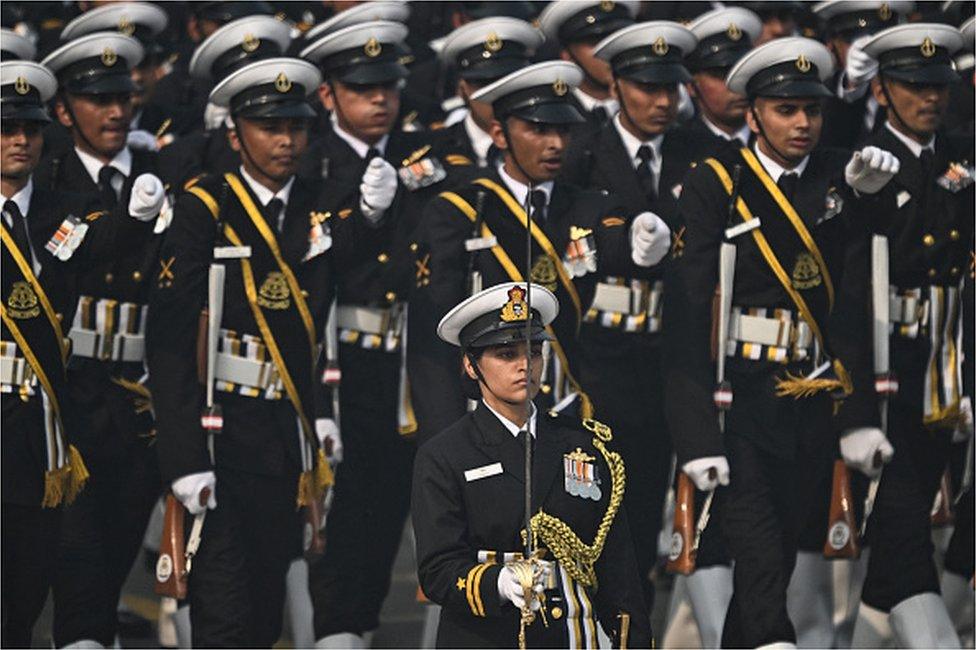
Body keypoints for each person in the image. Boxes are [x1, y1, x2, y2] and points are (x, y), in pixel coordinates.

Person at [670, 35, 901, 647]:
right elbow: (690, 318)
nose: (803, 124)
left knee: (773, 571)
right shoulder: (716, 182)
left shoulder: (839, 177)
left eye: (813, 110)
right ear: (753, 115)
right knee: (762, 556)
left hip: (813, 401)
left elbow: (852, 307)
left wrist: (855, 416)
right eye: (785, 110)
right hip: (741, 400)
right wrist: (694, 434)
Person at [147, 54, 347, 647]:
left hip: (284, 440)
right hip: (222, 432)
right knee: (225, 612)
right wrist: (184, 455)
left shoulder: (317, 205)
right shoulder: (204, 207)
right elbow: (171, 341)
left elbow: (320, 328)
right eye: (269, 127)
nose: (286, 141)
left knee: (264, 608)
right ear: (235, 134)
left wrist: (321, 413)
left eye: (296, 127)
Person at [409, 59, 672, 448]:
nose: (556, 144)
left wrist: (645, 246)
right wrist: (445, 436)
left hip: (568, 404)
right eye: (538, 129)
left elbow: (618, 245)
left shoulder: (590, 207)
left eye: (563, 130)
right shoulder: (459, 210)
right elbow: (433, 337)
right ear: (499, 134)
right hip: (487, 410)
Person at [0, 57, 157, 649]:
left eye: (30, 129)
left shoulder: (63, 211)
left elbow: (103, 239)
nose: (20, 140)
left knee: (23, 603)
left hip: (46, 439)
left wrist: (137, 221)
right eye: (6, 129)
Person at [412, 281, 651, 648]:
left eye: (534, 352)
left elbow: (618, 569)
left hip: (573, 637)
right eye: (506, 354)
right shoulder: (445, 456)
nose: (525, 366)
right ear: (471, 365)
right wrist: (497, 583)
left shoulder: (584, 443)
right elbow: (438, 569)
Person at [559, 19, 703, 614]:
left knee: (644, 521)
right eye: (647, 87)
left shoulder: (703, 156)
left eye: (670, 88)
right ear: (615, 83)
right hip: (596, 362)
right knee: (585, 519)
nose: (662, 102)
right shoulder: (580, 153)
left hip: (670, 360)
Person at [299, 20, 430, 647]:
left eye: (387, 87)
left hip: (406, 364)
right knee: (338, 528)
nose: (379, 100)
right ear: (329, 95)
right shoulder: (310, 163)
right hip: (339, 362)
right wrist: (361, 214)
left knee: (386, 520)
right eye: (361, 88)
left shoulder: (420, 156)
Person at [847, 21, 971, 648]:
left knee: (908, 531)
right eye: (911, 85)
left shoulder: (962, 160)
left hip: (944, 373)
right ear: (884, 91)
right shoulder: (859, 162)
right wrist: (855, 409)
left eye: (938, 86)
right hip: (884, 367)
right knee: (900, 526)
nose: (930, 98)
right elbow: (842, 293)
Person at [814, 0, 914, 149]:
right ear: (832, 44)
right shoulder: (820, 94)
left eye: (877, 38)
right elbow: (826, 150)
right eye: (851, 38)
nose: (865, 49)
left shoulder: (917, 88)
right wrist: (852, 87)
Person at [537, 0, 638, 129]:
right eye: (595, 42)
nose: (610, 51)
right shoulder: (553, 117)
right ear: (567, 56)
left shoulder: (653, 109)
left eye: (618, 39)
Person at [679, 7, 763, 148]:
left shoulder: (774, 142)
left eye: (742, 72)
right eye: (721, 75)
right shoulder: (678, 146)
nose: (735, 85)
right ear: (691, 85)